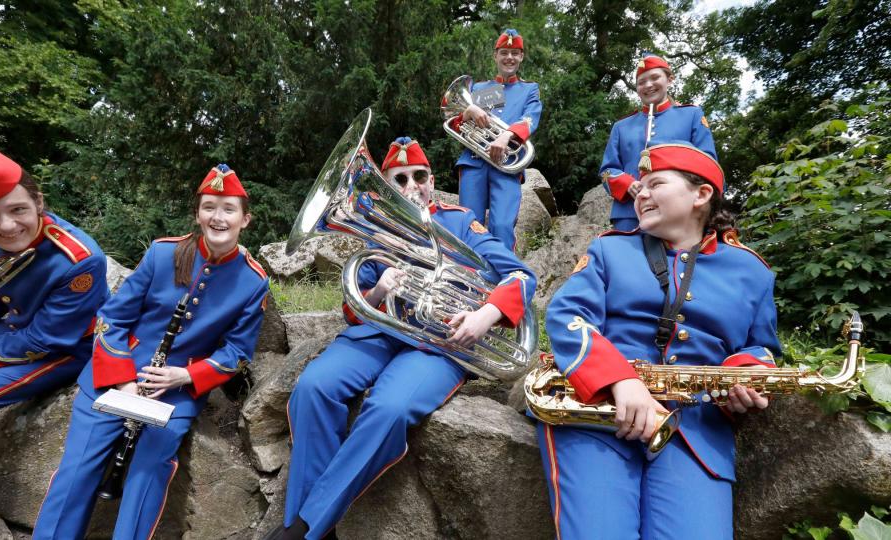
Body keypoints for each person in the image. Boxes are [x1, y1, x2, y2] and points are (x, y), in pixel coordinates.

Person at [265, 138, 537, 540]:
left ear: (432, 181)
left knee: (389, 409)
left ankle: (303, 529)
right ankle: (314, 525)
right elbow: (354, 308)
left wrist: (485, 315)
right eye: (401, 178)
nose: (413, 185)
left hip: (437, 345)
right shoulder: (378, 229)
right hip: (381, 334)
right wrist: (378, 291)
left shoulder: (461, 221)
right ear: (388, 186)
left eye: (420, 176)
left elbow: (520, 276)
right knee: (312, 388)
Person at [538, 142, 780, 539]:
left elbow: (762, 346)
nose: (640, 193)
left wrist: (747, 374)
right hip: (597, 414)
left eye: (655, 184)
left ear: (701, 195)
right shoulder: (608, 248)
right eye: (640, 185)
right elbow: (568, 316)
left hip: (697, 432)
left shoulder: (753, 272)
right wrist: (620, 378)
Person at [32, 165, 270, 539]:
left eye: (228, 209)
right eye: (209, 207)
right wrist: (123, 381)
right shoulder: (163, 254)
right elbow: (111, 319)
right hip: (116, 378)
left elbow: (238, 351)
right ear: (197, 213)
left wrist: (187, 376)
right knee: (76, 472)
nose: (218, 217)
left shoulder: (253, 281)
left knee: (150, 470)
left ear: (245, 219)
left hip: (175, 391)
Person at [0, 140, 108, 540]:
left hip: (62, 347)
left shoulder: (79, 260)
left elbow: (41, 340)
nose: (6, 226)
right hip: (11, 326)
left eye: (18, 210)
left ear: (39, 202)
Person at [600, 52, 717, 231]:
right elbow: (607, 170)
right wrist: (627, 184)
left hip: (681, 212)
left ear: (669, 79)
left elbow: (708, 163)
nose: (648, 85)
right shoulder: (621, 126)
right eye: (641, 82)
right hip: (630, 214)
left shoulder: (691, 115)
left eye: (655, 77)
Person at [450, 28, 542, 251]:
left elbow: (531, 118)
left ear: (521, 57)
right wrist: (468, 111)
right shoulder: (481, 88)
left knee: (502, 226)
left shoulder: (529, 89)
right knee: (469, 225)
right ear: (495, 56)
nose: (509, 57)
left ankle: (503, 280)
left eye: (514, 53)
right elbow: (455, 123)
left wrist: (506, 136)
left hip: (506, 164)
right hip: (474, 161)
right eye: (504, 52)